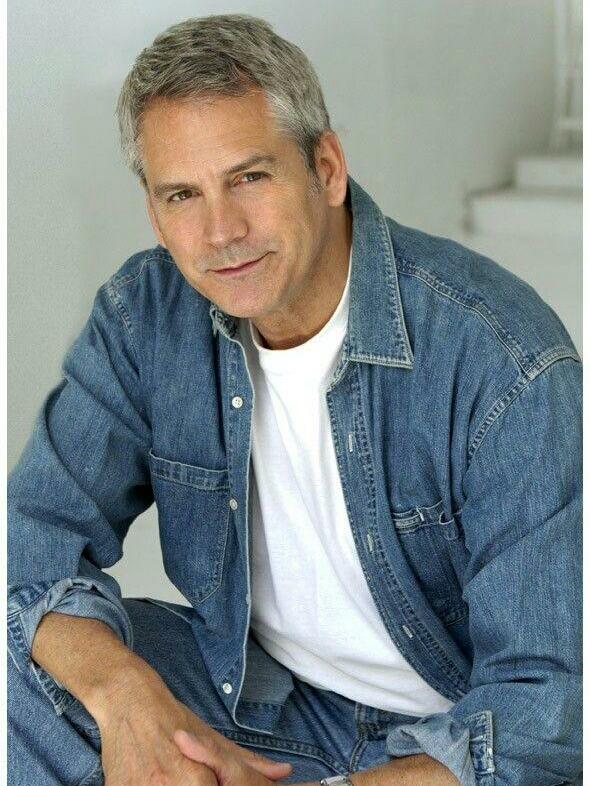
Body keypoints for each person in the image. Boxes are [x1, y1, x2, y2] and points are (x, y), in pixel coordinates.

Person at [7, 13, 582, 786]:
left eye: (250, 177)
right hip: (267, 704)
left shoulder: (502, 361)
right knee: (25, 666)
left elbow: (551, 712)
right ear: (155, 214)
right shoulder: (147, 317)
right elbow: (32, 536)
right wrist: (123, 699)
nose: (221, 231)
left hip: (447, 741)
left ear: (328, 168)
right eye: (183, 195)